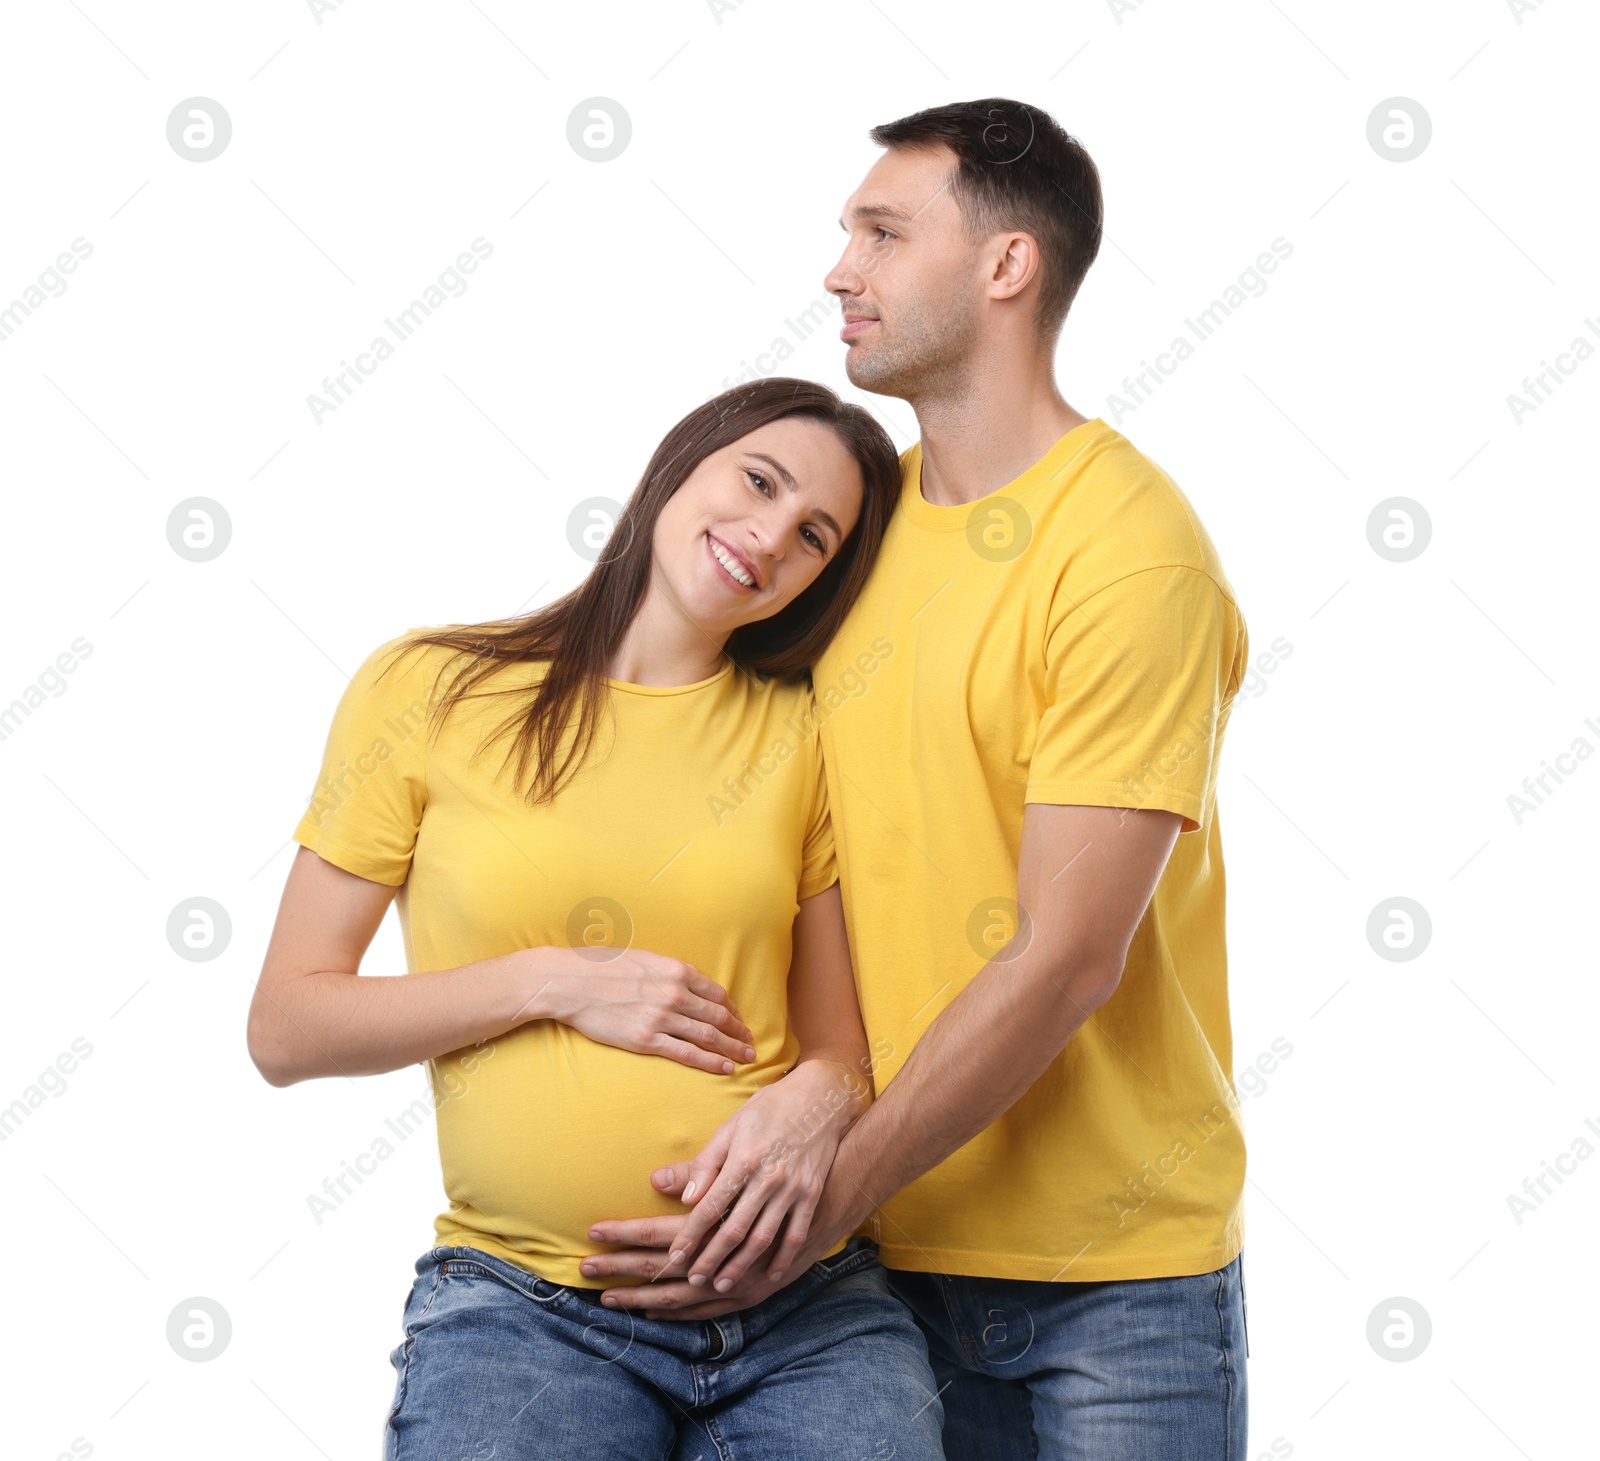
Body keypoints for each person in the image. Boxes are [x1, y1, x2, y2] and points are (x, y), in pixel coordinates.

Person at [584, 99, 1253, 1460]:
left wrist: (824, 1193)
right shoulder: (843, 530)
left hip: (1106, 1289)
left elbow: (1067, 956)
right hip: (858, 1283)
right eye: (849, 235)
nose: (842, 269)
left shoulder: (1128, 553)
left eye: (883, 233)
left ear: (1006, 269)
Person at [246, 378, 947, 1460]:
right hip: (527, 1309)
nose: (766, 537)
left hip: (802, 1311)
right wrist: (550, 981)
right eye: (757, 482)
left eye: (812, 536)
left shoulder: (806, 736)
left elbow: (839, 1048)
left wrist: (822, 1093)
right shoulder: (429, 690)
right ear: (682, 462)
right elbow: (287, 1028)